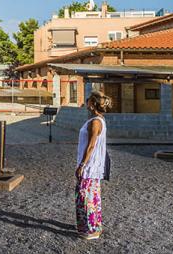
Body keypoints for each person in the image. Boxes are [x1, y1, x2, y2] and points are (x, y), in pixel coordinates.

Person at [74, 91, 108, 240]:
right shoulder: (98, 119)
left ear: (93, 104)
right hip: (92, 165)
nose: (86, 102)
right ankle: (93, 225)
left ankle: (91, 229)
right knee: (91, 196)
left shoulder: (95, 122)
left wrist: (82, 164)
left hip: (90, 166)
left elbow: (91, 146)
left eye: (88, 100)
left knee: (86, 197)